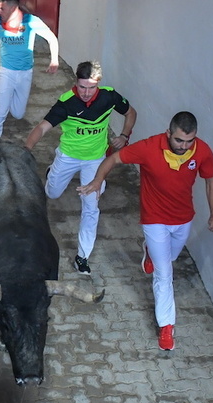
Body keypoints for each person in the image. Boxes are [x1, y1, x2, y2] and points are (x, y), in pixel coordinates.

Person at [78, 111, 213, 350]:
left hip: (183, 219)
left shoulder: (202, 151)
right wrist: (97, 181)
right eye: (179, 141)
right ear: (168, 134)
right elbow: (113, 159)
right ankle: (166, 327)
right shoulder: (148, 147)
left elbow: (211, 180)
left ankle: (150, 252)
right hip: (154, 219)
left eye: (189, 141)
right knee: (164, 274)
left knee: (169, 256)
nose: (184, 146)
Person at [25, 60, 136, 275]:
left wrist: (124, 135)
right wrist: (26, 149)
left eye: (91, 87)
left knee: (91, 206)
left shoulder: (110, 97)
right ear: (76, 82)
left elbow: (131, 113)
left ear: (99, 84)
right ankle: (52, 173)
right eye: (82, 86)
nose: (86, 92)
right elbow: (41, 128)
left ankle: (82, 257)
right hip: (68, 156)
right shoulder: (66, 103)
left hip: (96, 160)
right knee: (53, 193)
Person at [0, 0, 58, 135]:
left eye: (3, 9)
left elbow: (52, 38)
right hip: (6, 72)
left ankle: (8, 96)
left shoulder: (30, 21)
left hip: (26, 73)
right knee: (0, 111)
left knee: (18, 113)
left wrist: (54, 60)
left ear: (14, 8)